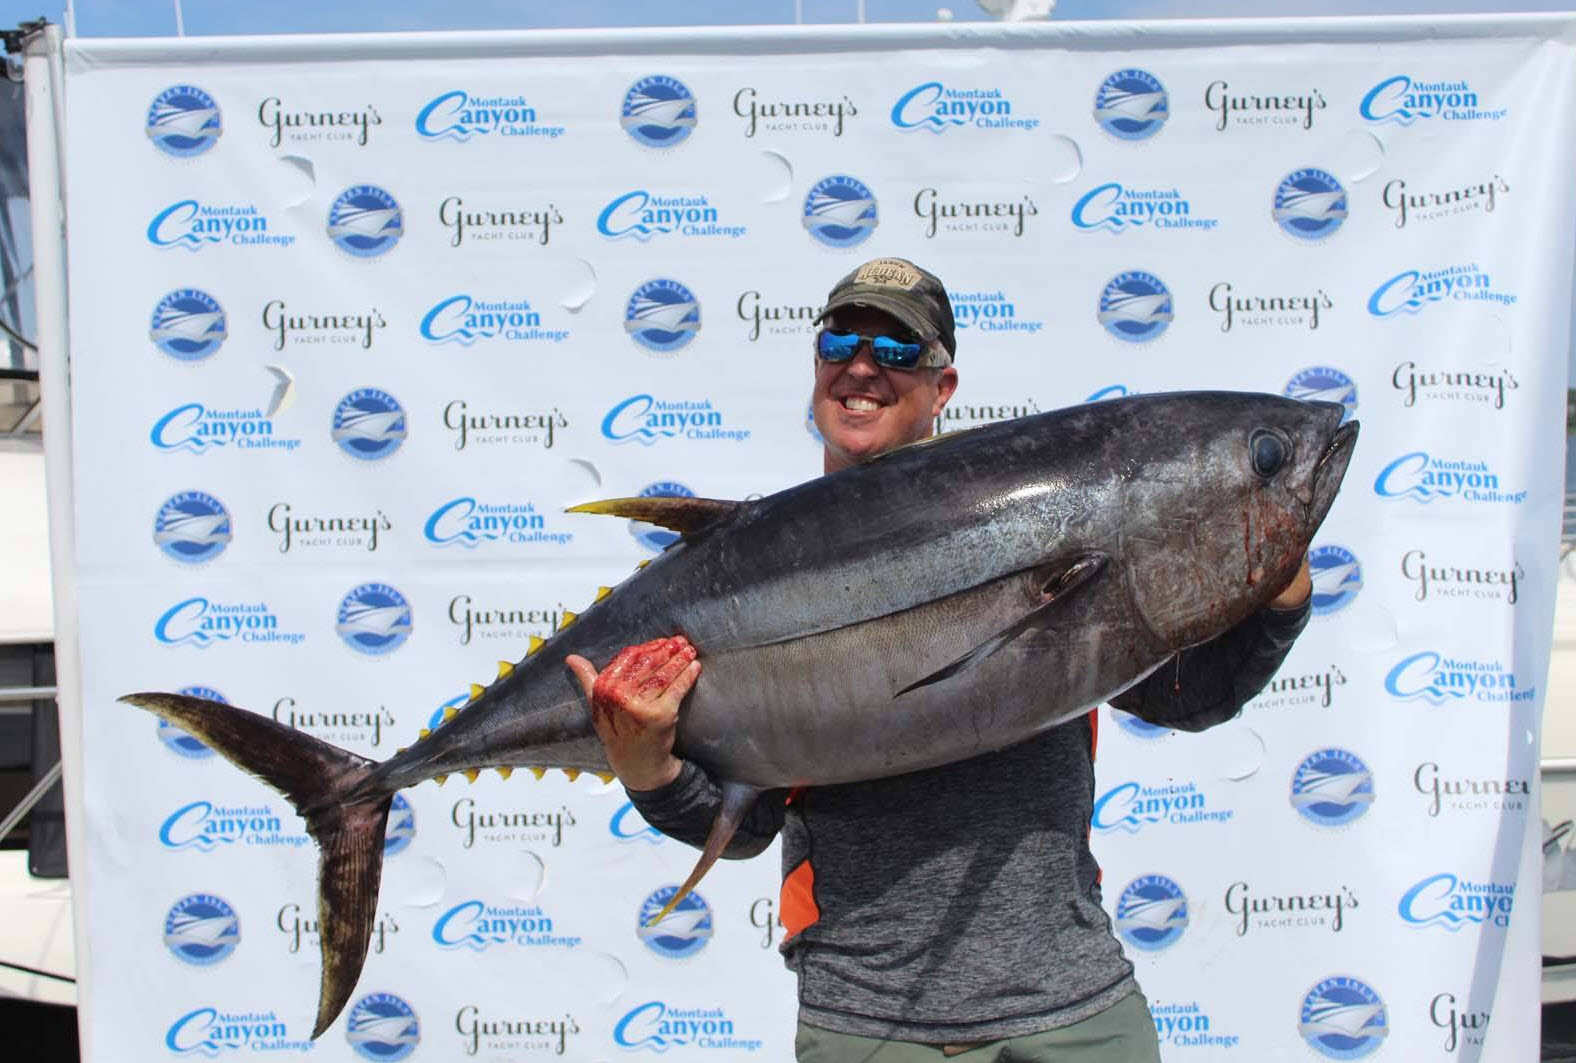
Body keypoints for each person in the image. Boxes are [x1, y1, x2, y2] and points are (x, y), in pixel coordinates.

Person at [567, 257, 1312, 1063]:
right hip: (870, 1024)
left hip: (1073, 1008)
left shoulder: (1038, 517)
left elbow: (1188, 696)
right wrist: (647, 769)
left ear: (943, 385)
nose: (862, 367)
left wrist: (1277, 596)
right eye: (841, 342)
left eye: (897, 352)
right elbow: (747, 827)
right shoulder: (747, 572)